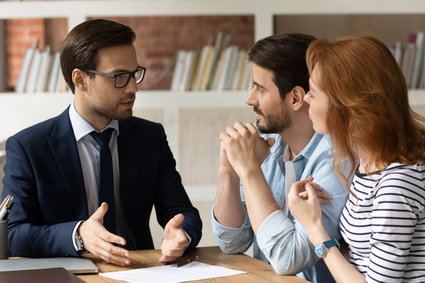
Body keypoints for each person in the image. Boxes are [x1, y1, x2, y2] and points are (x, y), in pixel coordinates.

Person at [1, 19, 202, 266]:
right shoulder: (29, 147)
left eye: (134, 74)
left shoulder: (150, 137)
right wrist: (78, 234)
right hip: (66, 275)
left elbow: (183, 212)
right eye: (119, 77)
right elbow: (12, 234)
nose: (133, 88)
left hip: (139, 271)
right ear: (80, 80)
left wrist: (182, 234)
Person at [211, 33, 350, 283]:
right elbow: (232, 242)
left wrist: (250, 171)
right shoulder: (272, 148)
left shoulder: (336, 157)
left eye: (260, 88)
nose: (249, 99)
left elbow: (289, 258)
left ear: (296, 98)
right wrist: (229, 172)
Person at [288, 35, 425, 282]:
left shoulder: (397, 183)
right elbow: (364, 259)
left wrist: (314, 227)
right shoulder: (369, 164)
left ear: (349, 107)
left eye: (314, 93)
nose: (306, 98)